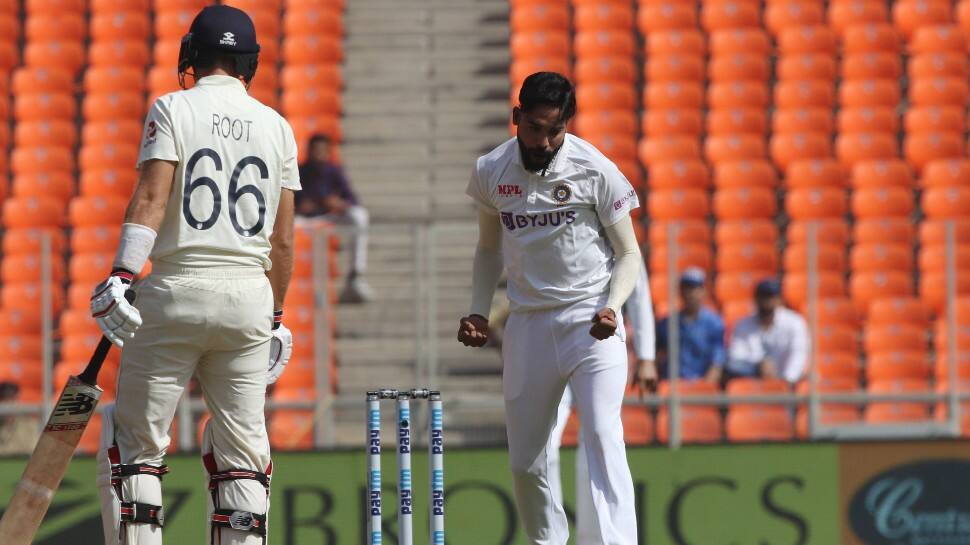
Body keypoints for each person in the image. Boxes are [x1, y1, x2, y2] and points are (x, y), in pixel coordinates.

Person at [89, 6, 298, 544]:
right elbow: (283, 240)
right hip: (250, 299)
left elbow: (152, 198)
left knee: (138, 448)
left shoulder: (173, 108)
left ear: (192, 55)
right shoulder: (278, 127)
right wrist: (275, 317)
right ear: (249, 61)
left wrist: (121, 272)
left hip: (177, 290)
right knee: (244, 455)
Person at [457, 71, 645, 545]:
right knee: (526, 459)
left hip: (590, 322)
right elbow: (487, 249)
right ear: (517, 117)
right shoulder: (491, 171)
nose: (544, 141)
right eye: (536, 128)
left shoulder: (595, 169)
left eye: (555, 130)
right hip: (528, 324)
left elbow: (629, 254)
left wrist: (612, 306)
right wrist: (479, 310)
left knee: (603, 435)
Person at [547, 265, 656, 544]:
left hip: (599, 350)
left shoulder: (612, 223)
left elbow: (638, 288)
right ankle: (549, 537)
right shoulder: (549, 224)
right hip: (551, 346)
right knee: (544, 445)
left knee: (598, 439)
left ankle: (599, 540)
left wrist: (646, 356)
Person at [296, 134, 373, 303]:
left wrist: (339, 203)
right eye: (316, 150)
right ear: (309, 151)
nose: (319, 154)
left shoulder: (334, 170)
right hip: (307, 219)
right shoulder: (300, 171)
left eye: (323, 150)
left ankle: (356, 273)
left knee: (359, 216)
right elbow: (295, 203)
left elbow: (352, 200)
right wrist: (310, 204)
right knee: (289, 225)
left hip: (330, 216)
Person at [725, 279, 809, 384]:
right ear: (756, 299)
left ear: (779, 299)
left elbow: (798, 355)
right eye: (763, 296)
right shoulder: (743, 325)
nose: (767, 302)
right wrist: (758, 365)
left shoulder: (795, 322)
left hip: (787, 383)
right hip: (754, 382)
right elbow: (735, 357)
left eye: (771, 297)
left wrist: (786, 381)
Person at [655, 268, 726, 383]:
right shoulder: (667, 323)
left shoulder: (714, 323)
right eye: (686, 288)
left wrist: (703, 389)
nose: (690, 293)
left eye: (695, 288)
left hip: (701, 385)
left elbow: (717, 363)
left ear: (703, 291)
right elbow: (657, 356)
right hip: (673, 386)